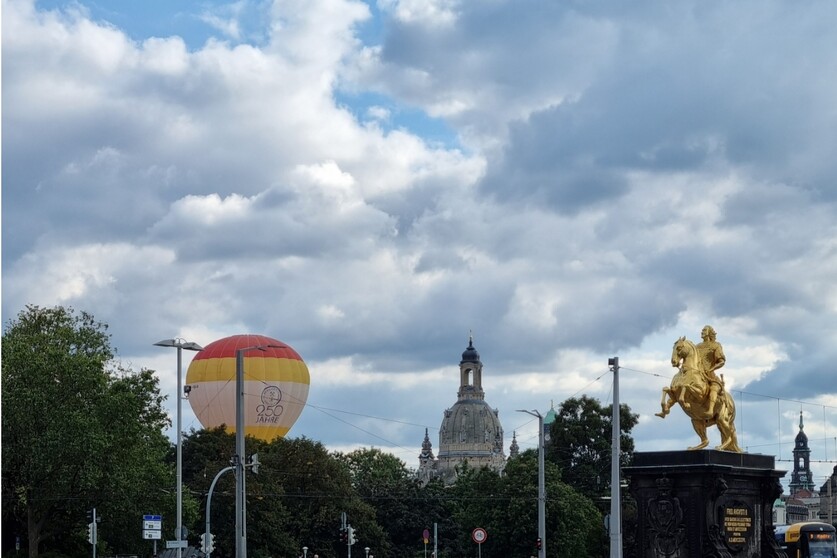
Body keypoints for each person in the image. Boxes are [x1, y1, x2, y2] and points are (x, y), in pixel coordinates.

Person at [695, 325, 725, 418]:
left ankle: (711, 410)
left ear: (709, 333)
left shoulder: (716, 345)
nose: (702, 332)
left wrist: (711, 369)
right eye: (702, 330)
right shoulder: (697, 346)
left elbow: (721, 361)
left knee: (713, 389)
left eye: (704, 330)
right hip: (698, 374)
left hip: (710, 375)